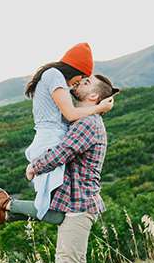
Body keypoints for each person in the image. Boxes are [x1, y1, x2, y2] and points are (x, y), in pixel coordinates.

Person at [0, 74, 120, 263]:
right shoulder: (85, 120)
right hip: (77, 203)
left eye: (85, 83)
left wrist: (35, 166)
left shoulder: (88, 124)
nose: (78, 83)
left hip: (79, 204)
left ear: (93, 96)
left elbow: (64, 151)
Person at [24, 42, 113, 220]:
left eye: (82, 82)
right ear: (75, 71)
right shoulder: (55, 75)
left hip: (51, 138)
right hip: (51, 138)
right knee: (49, 203)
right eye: (80, 79)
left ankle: (7, 208)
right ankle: (6, 207)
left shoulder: (53, 76)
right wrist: (98, 108)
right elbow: (71, 115)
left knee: (53, 203)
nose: (75, 84)